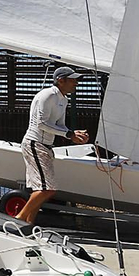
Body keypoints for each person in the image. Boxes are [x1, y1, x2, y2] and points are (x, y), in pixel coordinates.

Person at [17, 65, 92, 227]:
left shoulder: (63, 99)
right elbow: (41, 123)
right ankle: (19, 219)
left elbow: (60, 125)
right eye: (72, 80)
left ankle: (29, 223)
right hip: (35, 143)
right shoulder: (48, 95)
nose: (76, 83)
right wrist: (69, 134)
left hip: (45, 146)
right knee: (47, 189)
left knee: (42, 189)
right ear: (61, 80)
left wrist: (74, 133)